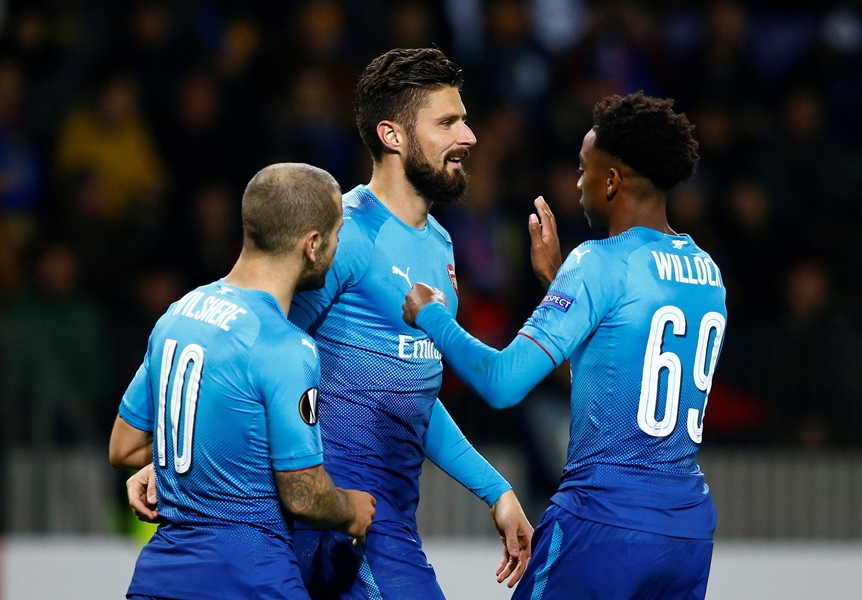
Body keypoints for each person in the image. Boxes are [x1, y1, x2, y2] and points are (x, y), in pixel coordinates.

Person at [127, 48, 533, 598]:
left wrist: (497, 491)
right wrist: (185, 460)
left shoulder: (439, 246)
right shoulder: (339, 239)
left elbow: (410, 396)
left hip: (383, 517)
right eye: (448, 121)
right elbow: (250, 352)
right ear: (393, 135)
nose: (469, 136)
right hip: (334, 520)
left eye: (463, 118)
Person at [403, 91, 727, 599]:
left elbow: (502, 383)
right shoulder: (707, 272)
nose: (579, 186)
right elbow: (621, 374)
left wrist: (433, 317)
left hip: (602, 520)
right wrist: (558, 284)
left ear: (613, 180)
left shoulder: (598, 262)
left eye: (584, 170)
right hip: (686, 529)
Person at [109, 163, 376, 600]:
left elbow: (124, 447)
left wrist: (171, 467)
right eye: (337, 233)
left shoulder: (180, 313)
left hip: (160, 580)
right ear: (312, 244)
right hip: (250, 578)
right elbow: (304, 495)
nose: (339, 245)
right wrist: (350, 510)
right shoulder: (286, 347)